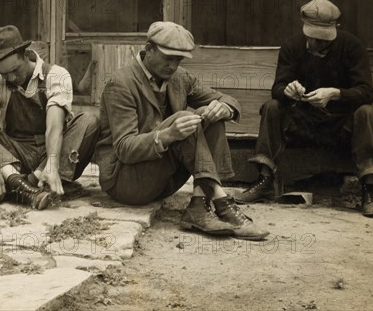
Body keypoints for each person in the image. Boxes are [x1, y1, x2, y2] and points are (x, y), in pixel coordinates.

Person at [95, 21, 269, 240]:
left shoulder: (180, 78)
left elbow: (227, 99)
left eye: (178, 60)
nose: (173, 66)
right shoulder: (120, 83)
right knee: (185, 119)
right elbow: (124, 149)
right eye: (168, 58)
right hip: (126, 181)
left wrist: (224, 108)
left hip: (163, 179)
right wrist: (168, 135)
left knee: (211, 114)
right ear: (148, 49)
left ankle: (199, 203)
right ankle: (222, 202)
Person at [235, 0, 373, 218]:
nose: (315, 44)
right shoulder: (292, 46)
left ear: (334, 30)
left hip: (341, 127)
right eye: (311, 37)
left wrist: (335, 94)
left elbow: (367, 92)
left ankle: (370, 188)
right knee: (272, 107)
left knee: (366, 112)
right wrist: (287, 90)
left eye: (322, 40)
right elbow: (277, 89)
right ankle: (264, 179)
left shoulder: (352, 46)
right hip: (303, 125)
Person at [0, 25, 100, 210]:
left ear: (25, 55)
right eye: (4, 74)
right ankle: (23, 186)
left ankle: (21, 186)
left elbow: (54, 127)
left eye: (15, 70)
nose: (12, 78)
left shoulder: (56, 75)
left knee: (89, 122)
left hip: (51, 153)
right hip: (15, 157)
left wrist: (52, 165)